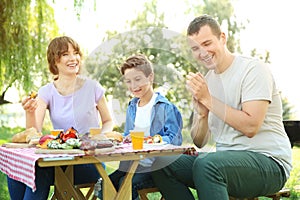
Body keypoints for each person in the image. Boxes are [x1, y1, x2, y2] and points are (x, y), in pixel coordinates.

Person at [151, 14, 292, 200]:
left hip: (269, 163)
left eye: (207, 43)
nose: (202, 53)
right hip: (225, 163)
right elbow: (200, 141)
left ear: (222, 38)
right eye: (195, 48)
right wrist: (202, 115)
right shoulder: (208, 81)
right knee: (160, 163)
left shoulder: (253, 69)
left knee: (208, 165)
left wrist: (208, 100)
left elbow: (251, 127)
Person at [6, 36, 114, 200]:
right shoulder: (46, 91)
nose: (73, 58)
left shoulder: (93, 87)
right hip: (58, 159)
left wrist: (101, 135)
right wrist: (29, 112)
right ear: (54, 61)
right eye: (65, 54)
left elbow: (108, 121)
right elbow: (34, 133)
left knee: (39, 171)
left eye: (76, 53)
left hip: (88, 160)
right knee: (15, 169)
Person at [99, 54, 183, 200]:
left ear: (150, 77)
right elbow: (128, 137)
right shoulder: (132, 106)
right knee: (103, 185)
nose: (133, 86)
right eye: (128, 81)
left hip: (156, 168)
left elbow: (175, 140)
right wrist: (119, 140)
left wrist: (149, 140)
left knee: (126, 185)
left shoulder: (165, 107)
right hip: (132, 165)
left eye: (138, 79)